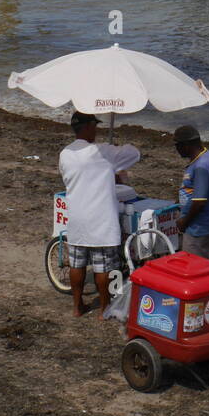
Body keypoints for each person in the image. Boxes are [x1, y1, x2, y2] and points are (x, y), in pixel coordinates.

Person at [58, 112, 140, 319]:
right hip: (100, 219)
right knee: (102, 267)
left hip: (77, 217)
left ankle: (78, 306)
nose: (96, 130)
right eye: (94, 125)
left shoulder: (65, 154)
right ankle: (104, 309)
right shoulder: (103, 152)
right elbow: (134, 153)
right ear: (87, 127)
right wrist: (113, 150)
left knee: (77, 264)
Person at [174, 126, 209, 255]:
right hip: (202, 224)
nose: (176, 149)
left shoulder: (201, 166)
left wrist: (184, 222)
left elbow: (199, 202)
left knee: (193, 266)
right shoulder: (207, 155)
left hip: (197, 228)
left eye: (177, 145)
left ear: (186, 145)